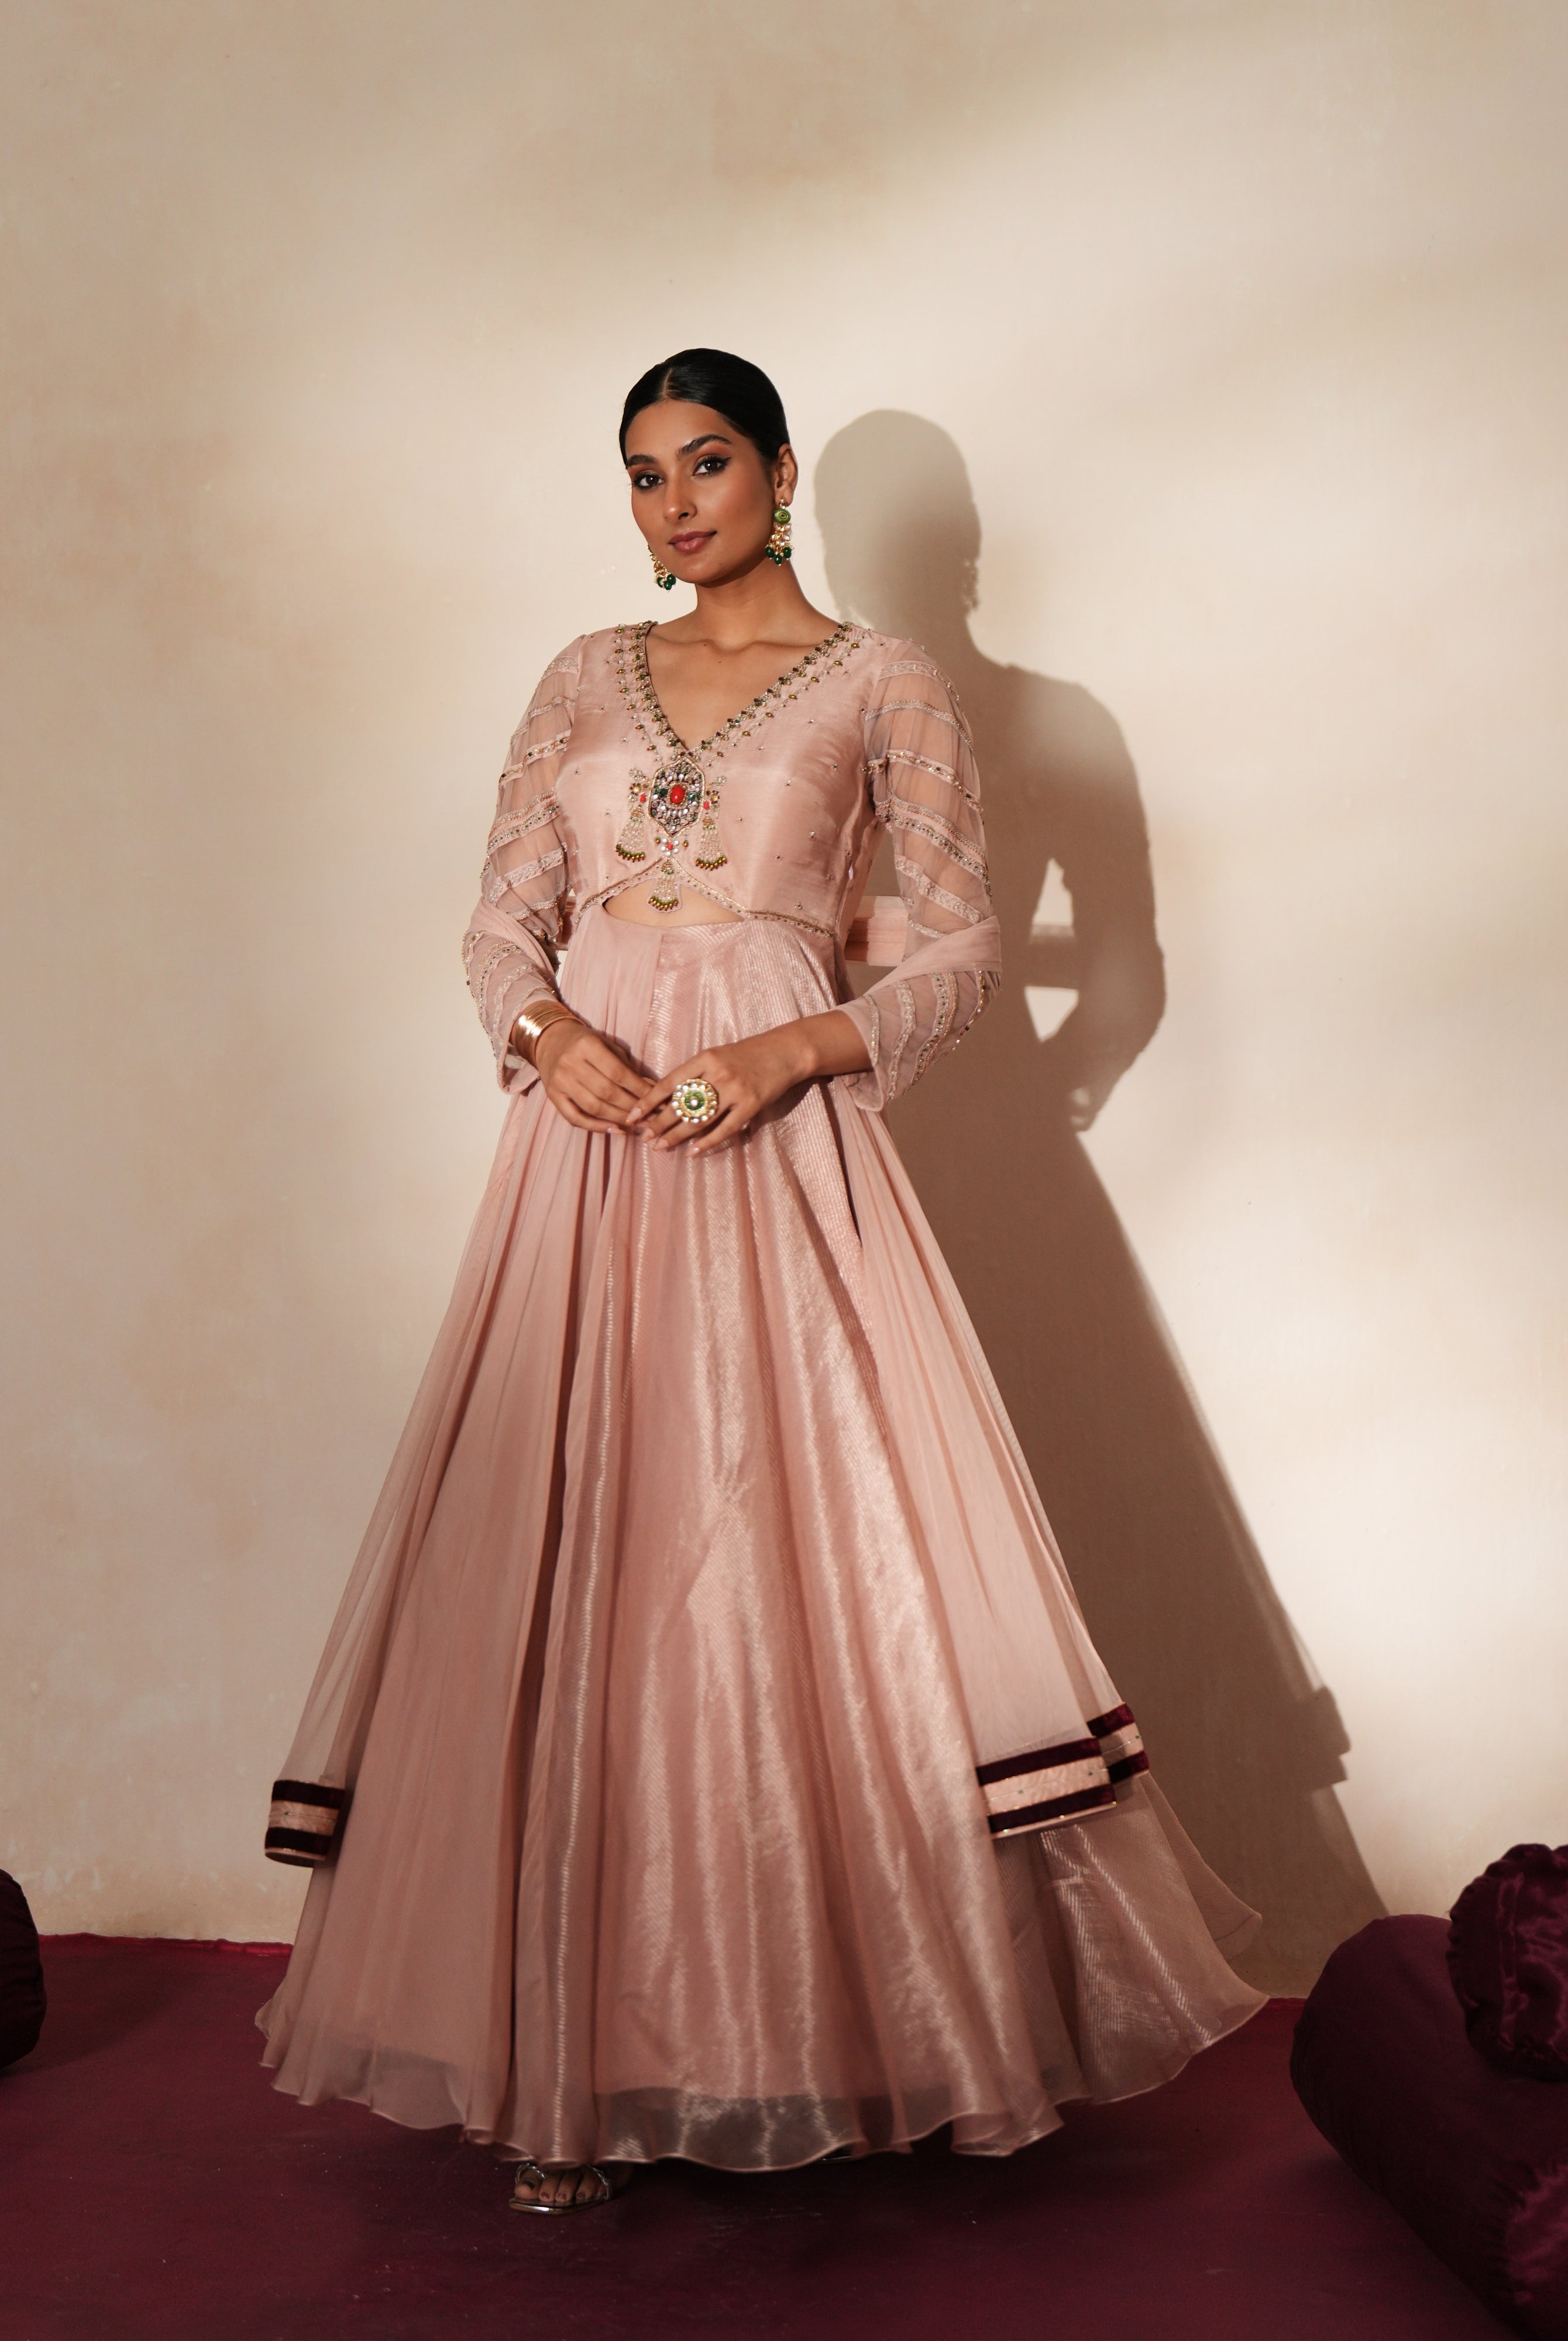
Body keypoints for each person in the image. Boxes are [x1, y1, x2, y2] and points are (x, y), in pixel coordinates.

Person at [258, 349, 1264, 2214]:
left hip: (779, 1146)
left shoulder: (890, 683)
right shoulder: (583, 673)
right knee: (583, 1540)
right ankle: (567, 2071)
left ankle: (831, 2034)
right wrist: (545, 1034)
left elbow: (964, 950)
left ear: (782, 476)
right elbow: (499, 920)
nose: (675, 503)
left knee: (802, 1555)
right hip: (589, 1150)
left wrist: (798, 1050)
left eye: (707, 462)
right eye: (644, 473)